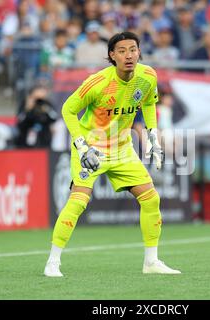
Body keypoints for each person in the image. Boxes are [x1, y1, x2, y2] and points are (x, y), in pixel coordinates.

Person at [44, 31, 181, 277]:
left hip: (122, 148)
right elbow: (68, 109)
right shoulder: (97, 82)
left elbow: (149, 103)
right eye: (122, 51)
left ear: (139, 52)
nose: (128, 55)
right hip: (92, 149)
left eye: (133, 49)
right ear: (112, 55)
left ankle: (151, 262)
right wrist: (81, 145)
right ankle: (53, 262)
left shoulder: (148, 76)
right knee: (78, 202)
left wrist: (152, 135)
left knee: (151, 199)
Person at [15, 84, 58, 148]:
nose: (38, 101)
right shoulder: (25, 104)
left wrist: (46, 109)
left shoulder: (47, 104)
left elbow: (54, 117)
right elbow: (20, 120)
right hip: (25, 140)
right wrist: (28, 108)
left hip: (44, 139)